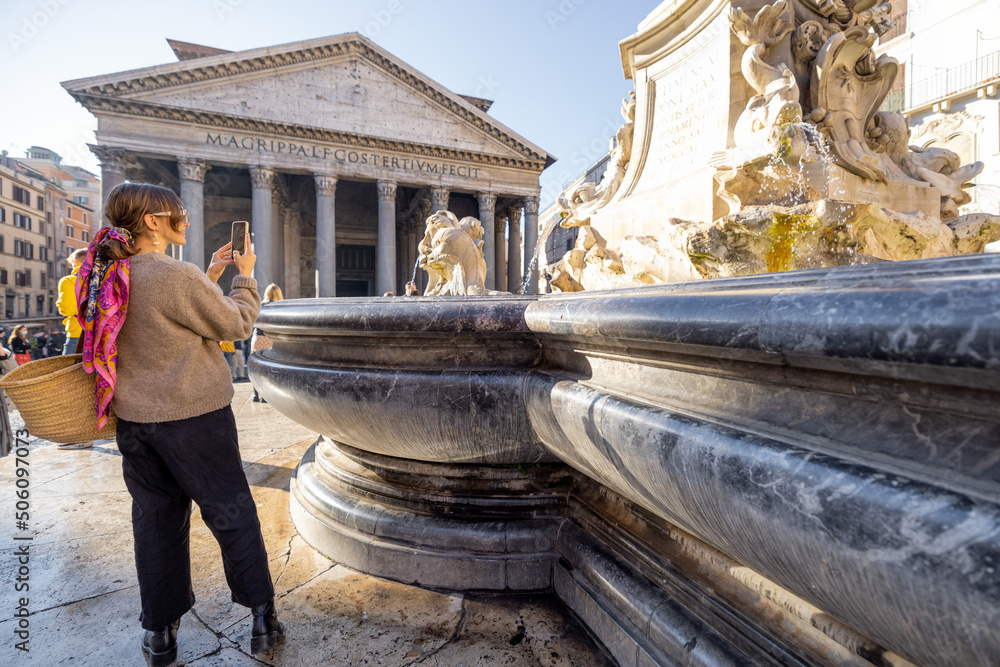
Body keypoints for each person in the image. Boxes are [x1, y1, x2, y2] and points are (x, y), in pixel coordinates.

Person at [76, 182, 283, 666]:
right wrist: (243, 278)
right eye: (179, 215)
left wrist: (207, 274)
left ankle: (160, 634)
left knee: (155, 523)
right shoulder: (175, 275)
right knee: (230, 513)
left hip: (136, 423)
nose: (185, 221)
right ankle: (262, 618)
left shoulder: (108, 275)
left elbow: (160, 321)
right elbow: (235, 325)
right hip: (195, 420)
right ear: (152, 221)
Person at [249, 283, 282, 403]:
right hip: (271, 339)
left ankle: (255, 394)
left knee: (256, 366)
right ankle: (266, 396)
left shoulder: (260, 305)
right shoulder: (280, 306)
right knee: (269, 368)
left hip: (258, 338)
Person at [58, 248, 88, 355]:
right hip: (103, 333)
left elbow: (66, 308)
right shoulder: (106, 279)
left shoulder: (69, 281)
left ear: (76, 262)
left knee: (68, 369)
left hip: (78, 332)